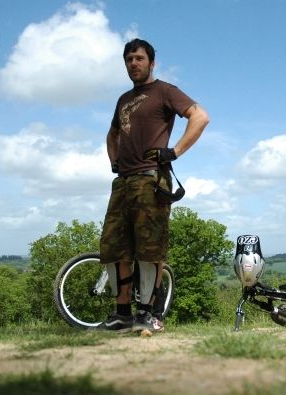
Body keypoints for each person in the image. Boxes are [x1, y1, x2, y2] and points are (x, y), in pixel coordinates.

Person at [98, 38, 209, 333]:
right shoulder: (123, 100)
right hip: (123, 182)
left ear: (151, 62)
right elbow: (112, 136)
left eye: (138, 58)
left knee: (150, 249)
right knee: (114, 248)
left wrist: (174, 151)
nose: (133, 63)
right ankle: (122, 314)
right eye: (129, 60)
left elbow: (200, 117)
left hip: (151, 179)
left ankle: (148, 314)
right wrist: (114, 163)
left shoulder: (165, 91)